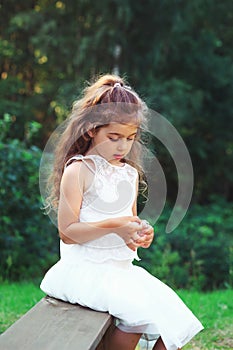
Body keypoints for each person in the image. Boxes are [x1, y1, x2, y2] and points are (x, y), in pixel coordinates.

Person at [40, 74, 203, 350]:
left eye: (129, 138)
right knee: (139, 316)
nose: (122, 146)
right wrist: (117, 226)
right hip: (83, 272)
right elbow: (67, 232)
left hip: (120, 270)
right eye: (113, 137)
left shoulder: (128, 174)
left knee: (175, 320)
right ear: (91, 129)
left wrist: (139, 234)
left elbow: (129, 226)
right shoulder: (79, 170)